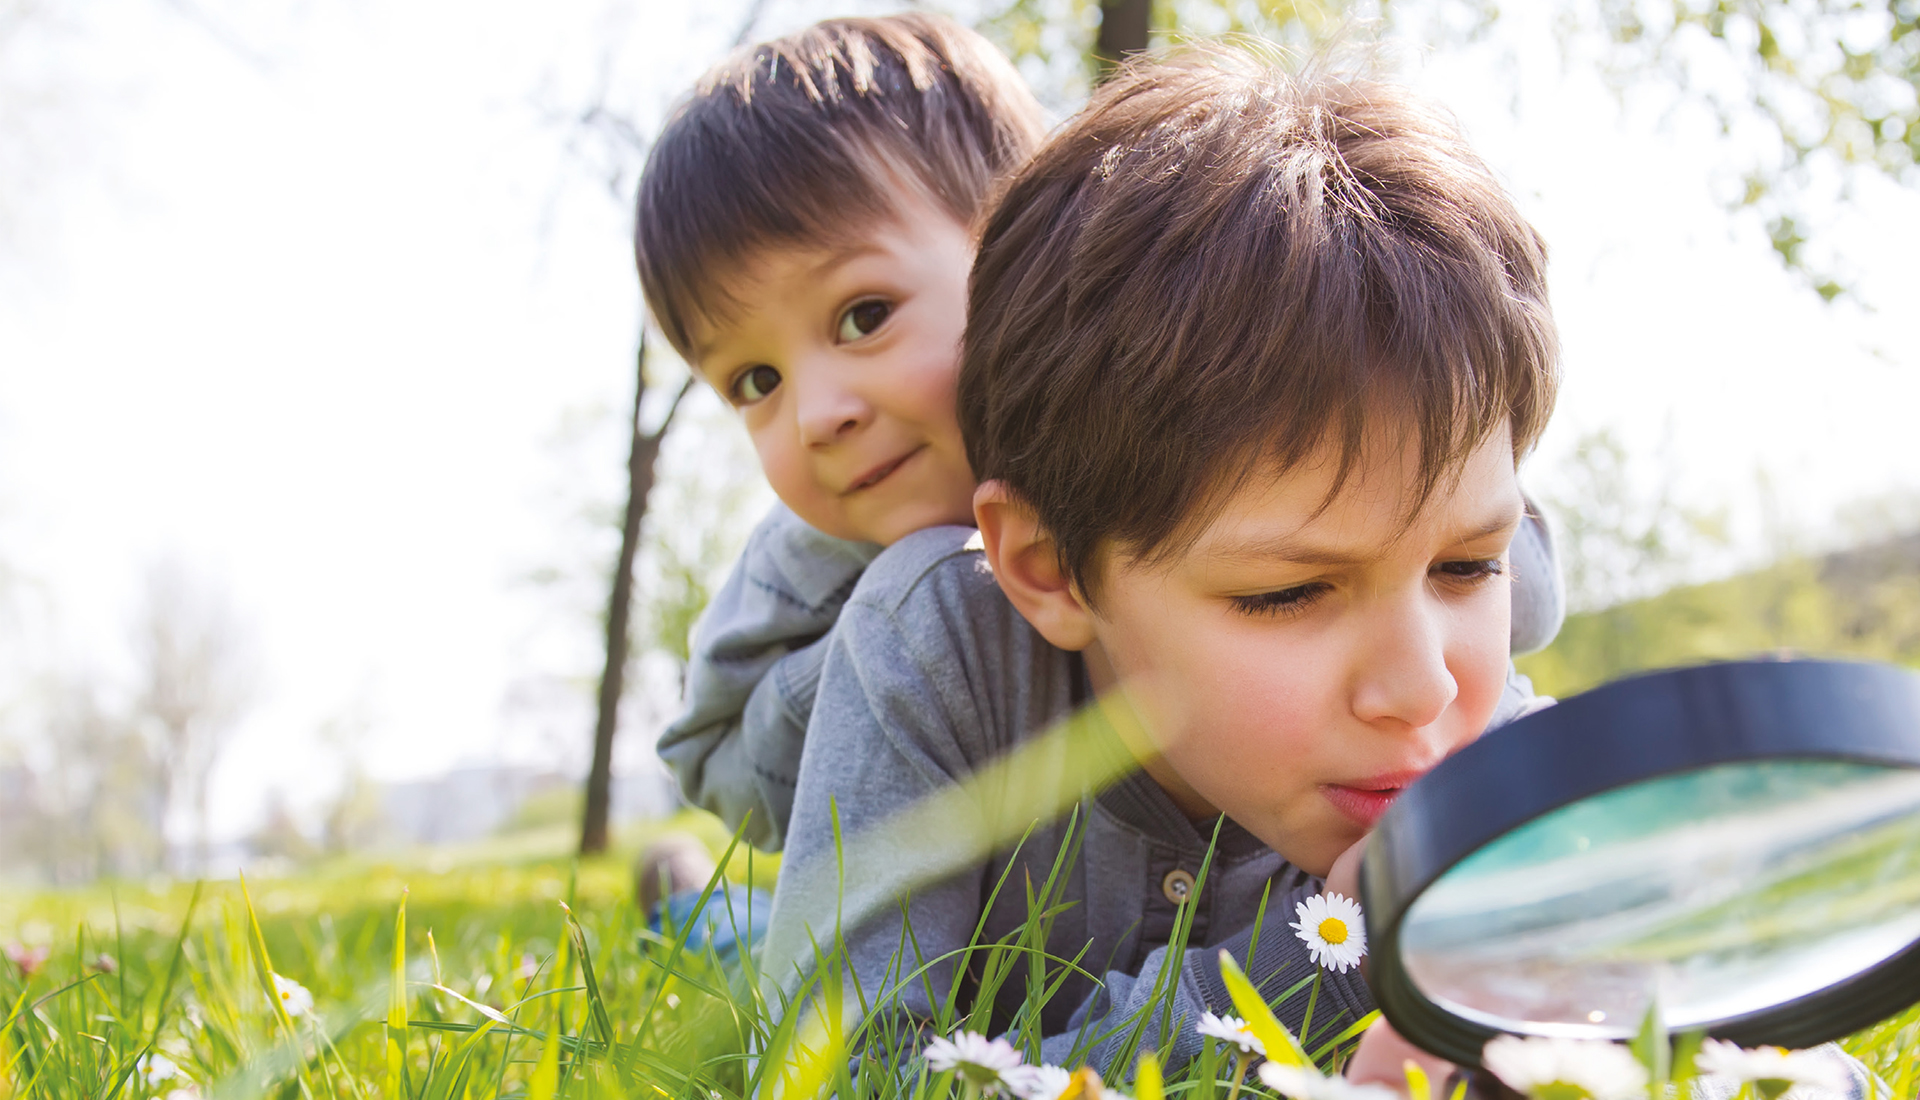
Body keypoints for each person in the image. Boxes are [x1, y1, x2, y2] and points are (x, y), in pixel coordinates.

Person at [760, 50, 1558, 1084]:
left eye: (1467, 567)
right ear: (1048, 569)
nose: (1424, 688)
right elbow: (832, 1074)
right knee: (727, 935)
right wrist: (1337, 956)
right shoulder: (935, 643)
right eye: (1289, 591)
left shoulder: (1488, 778)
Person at [633, 15, 1568, 856]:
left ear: (1024, 256)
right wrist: (903, 676)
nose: (817, 412)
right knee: (757, 933)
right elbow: (712, 754)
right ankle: (690, 910)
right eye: (754, 381)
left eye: (864, 314)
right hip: (932, 861)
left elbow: (1494, 574)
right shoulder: (814, 563)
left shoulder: (1240, 423)